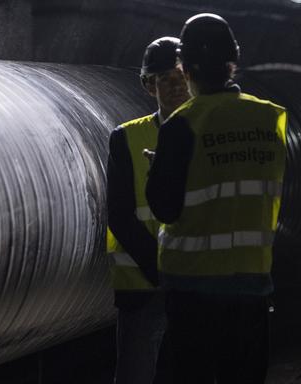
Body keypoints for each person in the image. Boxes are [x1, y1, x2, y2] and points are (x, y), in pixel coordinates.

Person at [145, 13, 287, 383]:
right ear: (232, 63)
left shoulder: (183, 124)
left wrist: (160, 169)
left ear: (186, 70)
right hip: (252, 285)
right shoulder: (270, 118)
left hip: (194, 289)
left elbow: (165, 207)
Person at [107, 36, 189, 384]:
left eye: (181, 77)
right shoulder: (127, 138)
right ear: (147, 85)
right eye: (164, 79)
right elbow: (121, 216)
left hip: (195, 284)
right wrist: (162, 272)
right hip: (144, 286)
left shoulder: (210, 134)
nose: (175, 86)